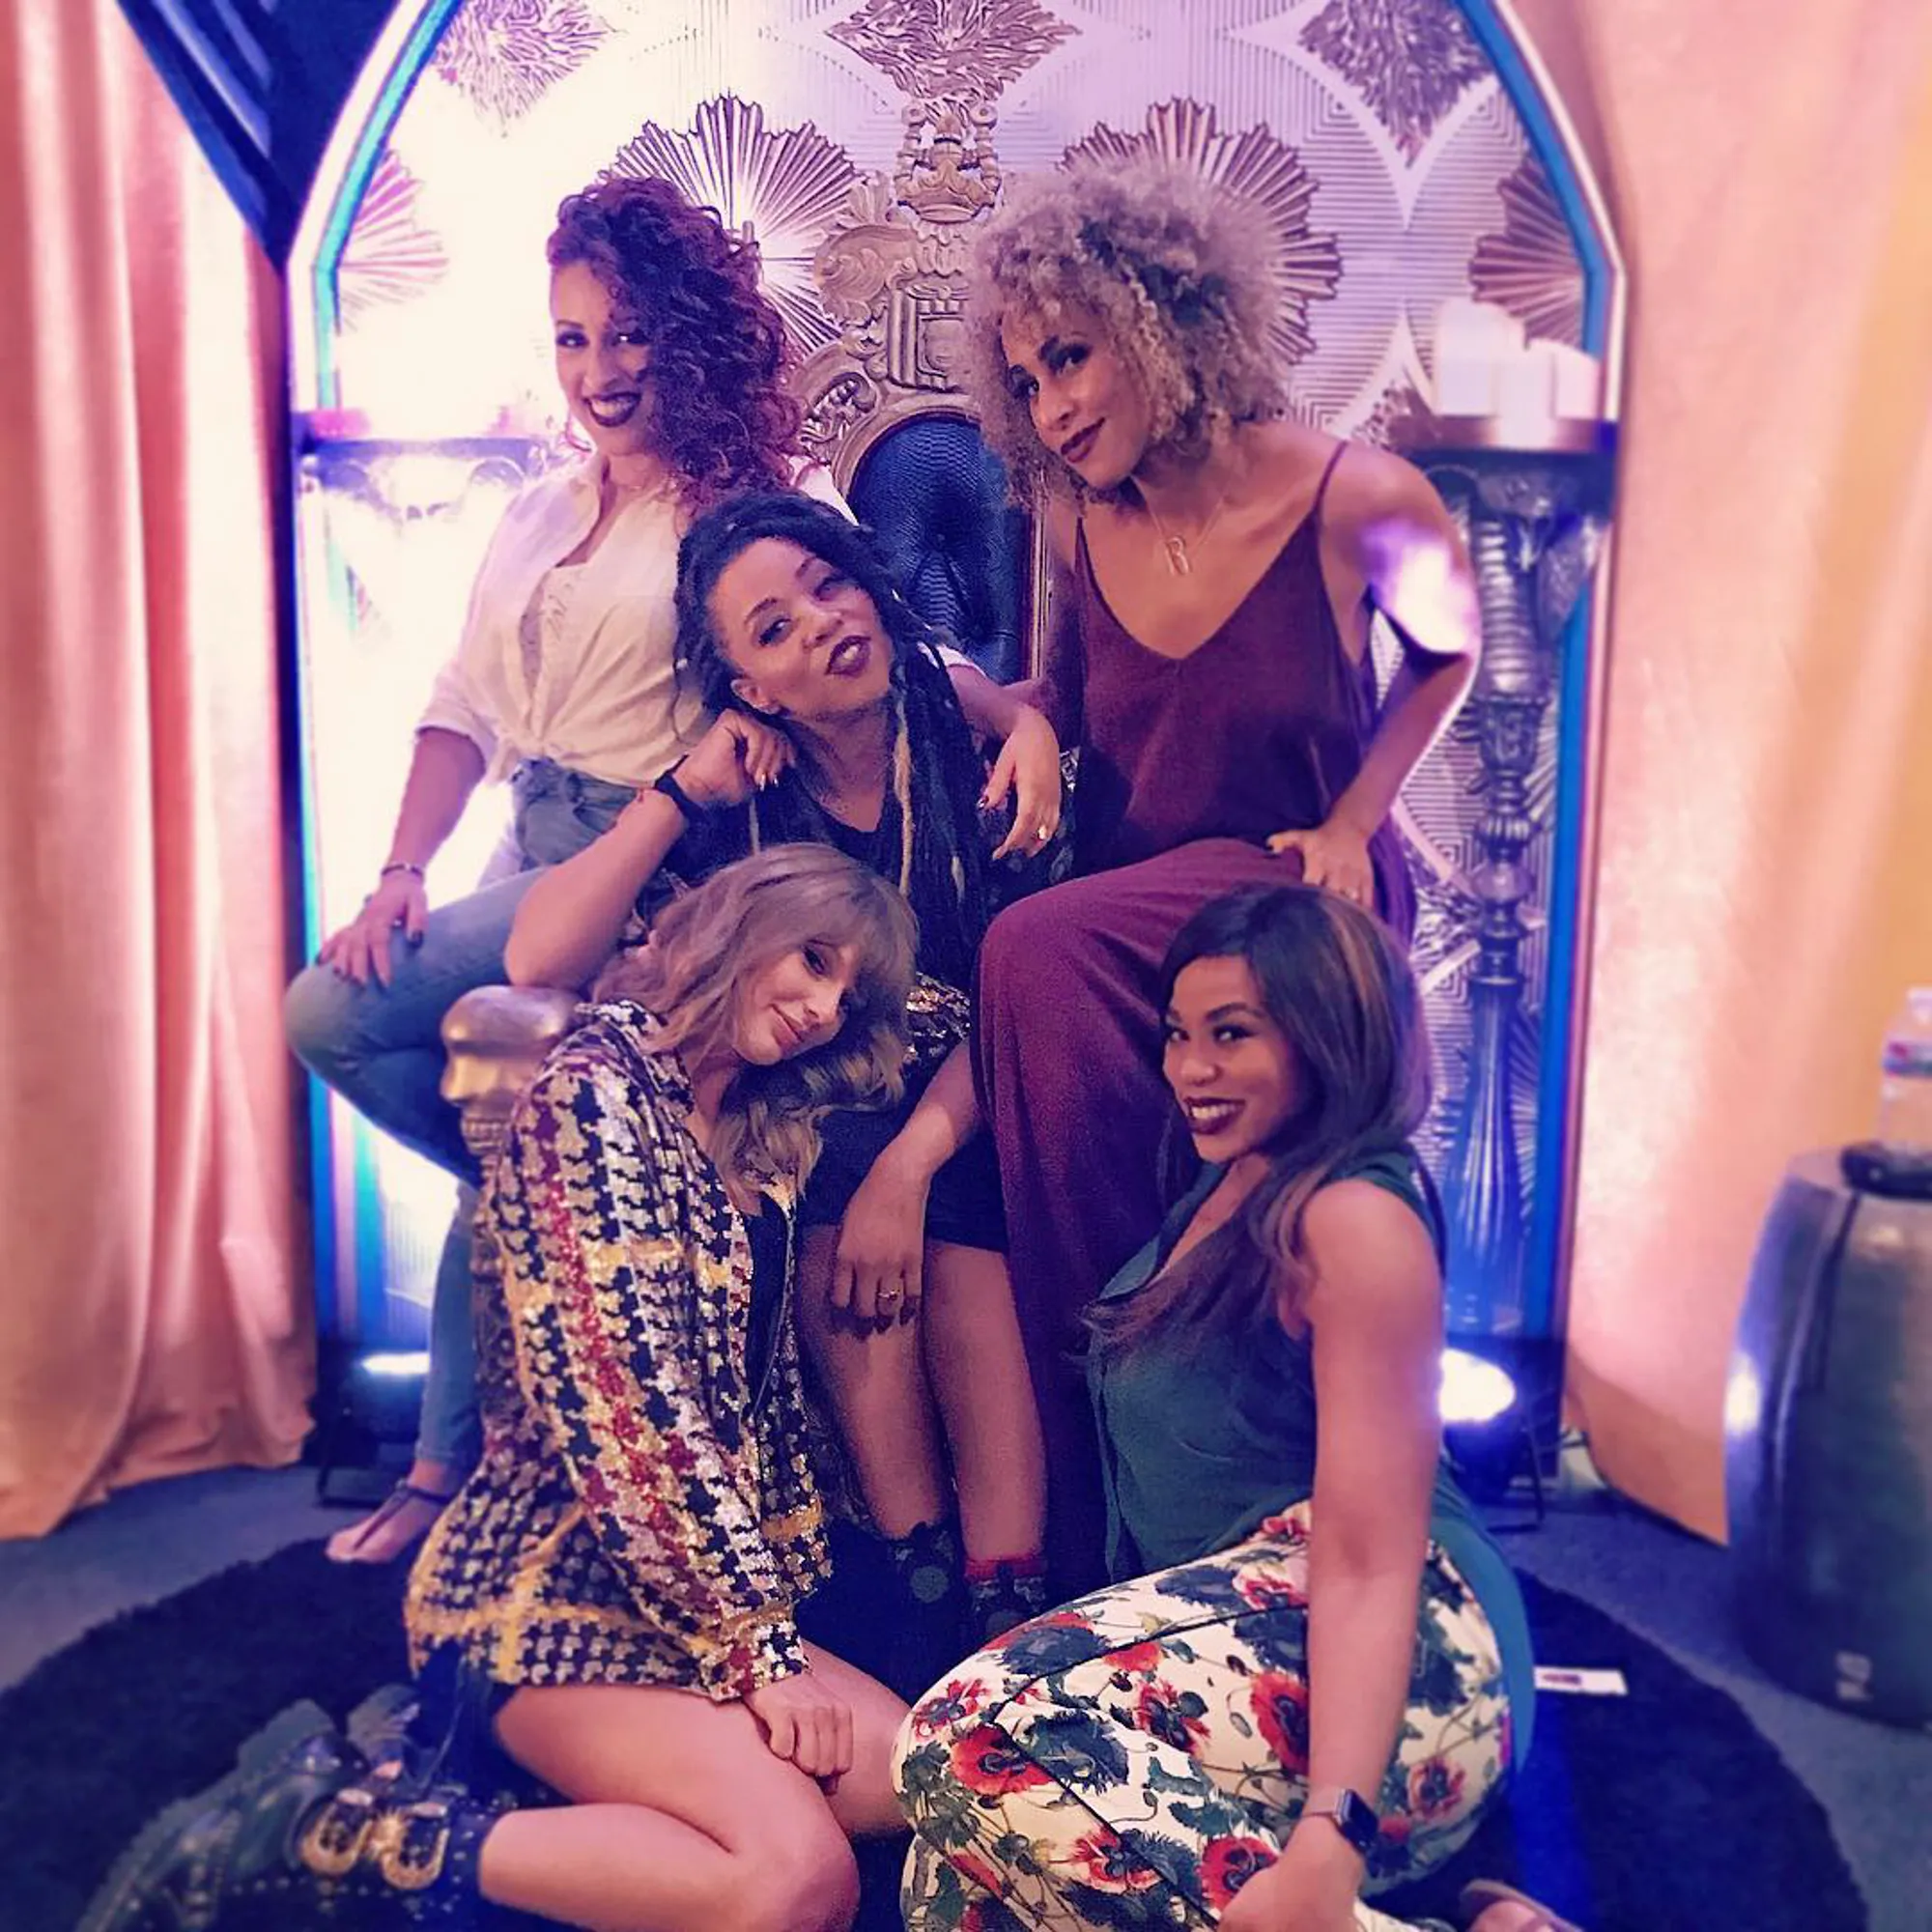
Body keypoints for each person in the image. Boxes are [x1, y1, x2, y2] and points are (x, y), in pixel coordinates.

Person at [287, 180, 1059, 1565]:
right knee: (414, 1059)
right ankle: (494, 1344)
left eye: (629, 335)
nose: (599, 372)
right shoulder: (538, 507)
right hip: (537, 842)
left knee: (468, 1073)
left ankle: (446, 1460)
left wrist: (1023, 711)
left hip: (658, 857)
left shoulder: (764, 499)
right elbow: (462, 700)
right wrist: (400, 867)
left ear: (691, 335)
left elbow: (872, 647)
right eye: (574, 339)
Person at [86, 845, 924, 1932]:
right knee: (793, 1881)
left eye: (846, 995)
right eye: (810, 958)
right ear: (738, 926)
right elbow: (636, 1409)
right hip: (542, 1586)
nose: (820, 1006)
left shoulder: (761, 1130)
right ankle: (326, 1822)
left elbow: (946, 1013)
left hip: (678, 1602)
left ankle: (531, 1801)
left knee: (912, 1775)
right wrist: (759, 1648)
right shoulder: (591, 1097)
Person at [959, 156, 1483, 1587]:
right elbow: (1058, 687)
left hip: (1297, 886)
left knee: (1035, 954)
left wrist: (1358, 818)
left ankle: (1157, 1414)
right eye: (1029, 377)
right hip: (1146, 895)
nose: (1055, 404)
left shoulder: (1355, 495)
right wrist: (1040, 735)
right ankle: (1102, 1444)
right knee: (1037, 961)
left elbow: (1450, 651)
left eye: (1073, 355)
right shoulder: (1074, 517)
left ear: (1167, 322)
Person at [894, 884, 1558, 1932]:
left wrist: (1331, 1833)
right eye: (1176, 1035)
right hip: (1247, 1640)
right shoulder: (1214, 1186)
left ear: (1325, 1035)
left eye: (1231, 1034)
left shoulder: (1353, 1218)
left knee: (966, 1735)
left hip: (1408, 1659)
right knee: (948, 1884)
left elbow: (1367, 1557)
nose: (1189, 1069)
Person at [505, 490, 1053, 1681]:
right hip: (815, 1108)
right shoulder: (744, 793)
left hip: (988, 1077)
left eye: (824, 582)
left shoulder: (962, 729)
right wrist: (677, 791)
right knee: (833, 1157)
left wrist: (1035, 723)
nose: (816, 623)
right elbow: (536, 958)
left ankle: (1006, 1595)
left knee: (935, 1179)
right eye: (770, 628)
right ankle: (912, 1562)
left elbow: (1023, 995)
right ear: (749, 685)